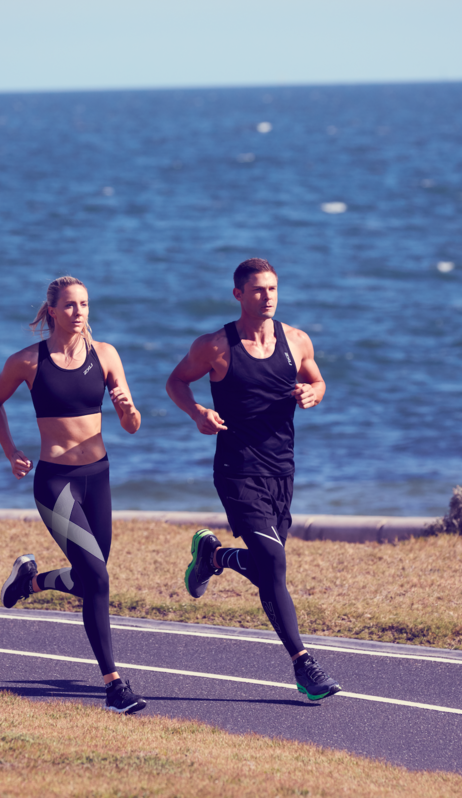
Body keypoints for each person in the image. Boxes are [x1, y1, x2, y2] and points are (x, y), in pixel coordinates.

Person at [165, 258, 341, 701]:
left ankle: (214, 557)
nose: (268, 297)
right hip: (237, 470)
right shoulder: (215, 346)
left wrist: (313, 393)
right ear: (239, 295)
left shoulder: (296, 341)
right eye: (258, 290)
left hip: (282, 471)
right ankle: (305, 666)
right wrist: (197, 411)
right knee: (274, 565)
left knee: (268, 569)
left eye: (273, 289)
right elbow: (176, 381)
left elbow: (318, 381)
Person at [0, 275, 146, 714]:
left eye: (85, 305)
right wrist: (11, 451)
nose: (79, 313)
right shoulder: (28, 362)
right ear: (52, 311)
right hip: (55, 481)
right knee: (97, 579)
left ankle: (29, 582)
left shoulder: (106, 355)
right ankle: (114, 686)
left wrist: (127, 411)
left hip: (98, 477)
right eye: (71, 305)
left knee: (89, 577)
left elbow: (132, 426)